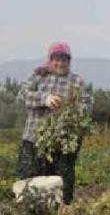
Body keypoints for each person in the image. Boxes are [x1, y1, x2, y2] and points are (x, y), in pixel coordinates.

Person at [17, 41, 93, 205]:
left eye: (64, 60)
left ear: (69, 61)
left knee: (62, 184)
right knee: (30, 182)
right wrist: (44, 99)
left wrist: (70, 110)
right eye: (56, 59)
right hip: (34, 139)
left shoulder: (77, 82)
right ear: (50, 60)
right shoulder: (38, 76)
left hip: (63, 143)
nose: (60, 63)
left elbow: (87, 105)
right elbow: (23, 94)